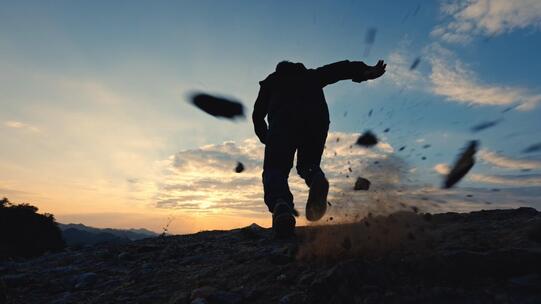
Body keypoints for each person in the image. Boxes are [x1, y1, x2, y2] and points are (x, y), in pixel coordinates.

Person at [252, 59, 387, 237]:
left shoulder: (273, 81)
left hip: (283, 123)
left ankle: (281, 206)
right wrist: (364, 71)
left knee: (275, 168)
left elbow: (257, 116)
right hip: (316, 120)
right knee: (308, 164)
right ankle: (315, 177)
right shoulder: (312, 75)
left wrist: (266, 138)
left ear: (279, 70)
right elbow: (337, 69)